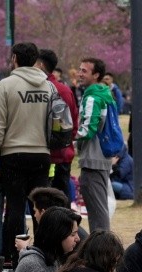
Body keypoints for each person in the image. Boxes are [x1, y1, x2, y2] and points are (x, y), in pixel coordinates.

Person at [0, 42, 52, 264]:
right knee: (40, 208)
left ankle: (13, 258)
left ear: (14, 58)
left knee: (14, 208)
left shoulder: (6, 85)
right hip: (42, 152)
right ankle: (44, 254)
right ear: (35, 60)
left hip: (13, 153)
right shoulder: (48, 86)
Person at [76, 56, 115, 232]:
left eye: (84, 71)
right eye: (80, 70)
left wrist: (69, 139)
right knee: (98, 209)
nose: (79, 74)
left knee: (97, 212)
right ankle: (100, 244)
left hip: (93, 159)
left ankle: (102, 246)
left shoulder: (92, 97)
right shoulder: (104, 93)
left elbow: (88, 130)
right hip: (102, 156)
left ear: (96, 75)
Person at [36, 49, 79, 203]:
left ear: (40, 65)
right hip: (62, 154)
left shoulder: (42, 89)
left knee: (43, 201)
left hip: (48, 155)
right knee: (61, 200)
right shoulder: (64, 90)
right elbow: (73, 124)